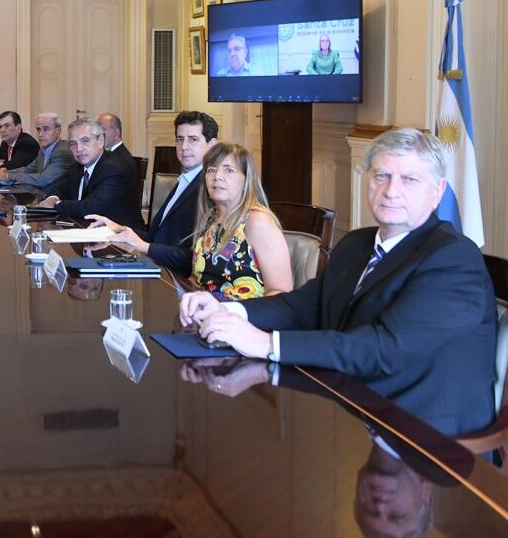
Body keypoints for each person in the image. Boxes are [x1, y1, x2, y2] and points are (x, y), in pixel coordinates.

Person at [180, 128, 496, 436]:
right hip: (348, 405)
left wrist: (266, 344)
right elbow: (302, 307)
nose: (391, 191)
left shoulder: (453, 258)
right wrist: (227, 310)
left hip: (420, 434)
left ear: (438, 191)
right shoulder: (357, 244)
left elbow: (385, 349)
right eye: (382, 175)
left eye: (409, 179)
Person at [88, 111, 219, 276]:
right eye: (180, 139)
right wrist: (117, 228)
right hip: (158, 270)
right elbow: (155, 237)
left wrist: (143, 246)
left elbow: (195, 258)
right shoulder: (185, 181)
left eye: (193, 139)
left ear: (212, 145)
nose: (184, 146)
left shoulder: (211, 189)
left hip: (176, 280)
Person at [187, 142, 292, 299]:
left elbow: (281, 293)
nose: (217, 177)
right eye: (211, 170)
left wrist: (229, 311)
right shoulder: (210, 218)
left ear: (246, 180)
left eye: (229, 170)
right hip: (205, 310)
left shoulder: (257, 221)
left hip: (246, 313)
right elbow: (197, 280)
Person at [36, 118, 144, 231]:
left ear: (101, 141)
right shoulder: (79, 166)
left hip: (122, 235)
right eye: (73, 143)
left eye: (85, 141)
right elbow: (62, 188)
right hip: (88, 229)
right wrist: (52, 198)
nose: (79, 149)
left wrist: (55, 204)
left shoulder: (114, 168)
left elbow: (89, 208)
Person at [0, 112, 74, 197]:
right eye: (38, 129)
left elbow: (42, 180)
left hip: (57, 200)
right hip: (42, 197)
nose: (40, 134)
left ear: (57, 131)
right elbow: (28, 169)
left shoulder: (62, 152)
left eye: (46, 129)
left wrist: (8, 176)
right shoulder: (43, 149)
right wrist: (5, 172)